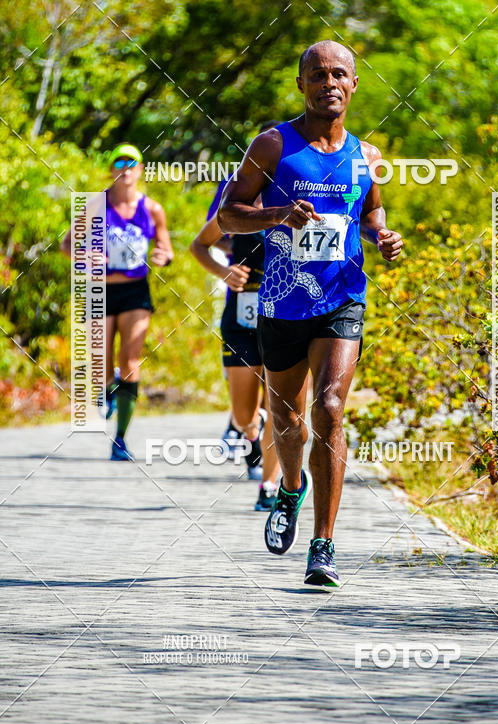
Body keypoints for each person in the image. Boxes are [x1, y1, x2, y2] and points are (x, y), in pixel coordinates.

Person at [219, 40, 403, 587]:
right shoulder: (273, 145)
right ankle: (290, 489)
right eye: (318, 74)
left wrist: (382, 236)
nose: (330, 82)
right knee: (289, 420)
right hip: (280, 302)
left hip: (342, 297)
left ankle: (323, 545)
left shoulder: (367, 157)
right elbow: (229, 216)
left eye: (339, 74)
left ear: (353, 84)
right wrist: (276, 213)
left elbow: (370, 212)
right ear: (301, 84)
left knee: (328, 408)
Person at [61, 143, 173, 461]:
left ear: (140, 170)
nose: (125, 168)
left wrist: (162, 256)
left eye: (132, 162)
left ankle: (121, 438)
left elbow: (165, 249)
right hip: (101, 290)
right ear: (111, 169)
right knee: (100, 359)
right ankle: (107, 387)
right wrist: (85, 255)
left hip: (136, 291)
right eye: (119, 162)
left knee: (131, 360)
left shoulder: (152, 208)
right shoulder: (97, 204)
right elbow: (68, 244)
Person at [190, 157, 281, 510]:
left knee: (282, 409)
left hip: (285, 317)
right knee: (244, 415)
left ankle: (271, 485)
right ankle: (249, 426)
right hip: (241, 315)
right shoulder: (235, 204)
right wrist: (224, 273)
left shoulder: (296, 200)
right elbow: (200, 244)